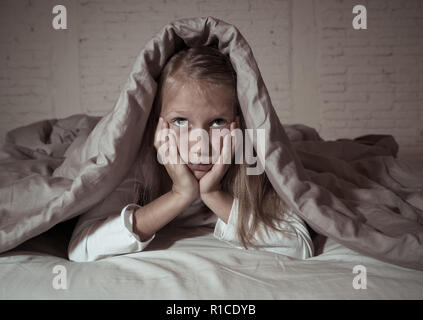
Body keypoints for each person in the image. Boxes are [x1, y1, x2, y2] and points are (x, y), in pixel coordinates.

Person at [68, 46, 314, 262]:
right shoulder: (136, 161)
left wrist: (213, 194)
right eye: (181, 121)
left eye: (218, 122)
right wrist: (179, 194)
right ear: (157, 123)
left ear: (239, 123)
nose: (200, 146)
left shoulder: (251, 155)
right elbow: (82, 248)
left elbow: (299, 245)